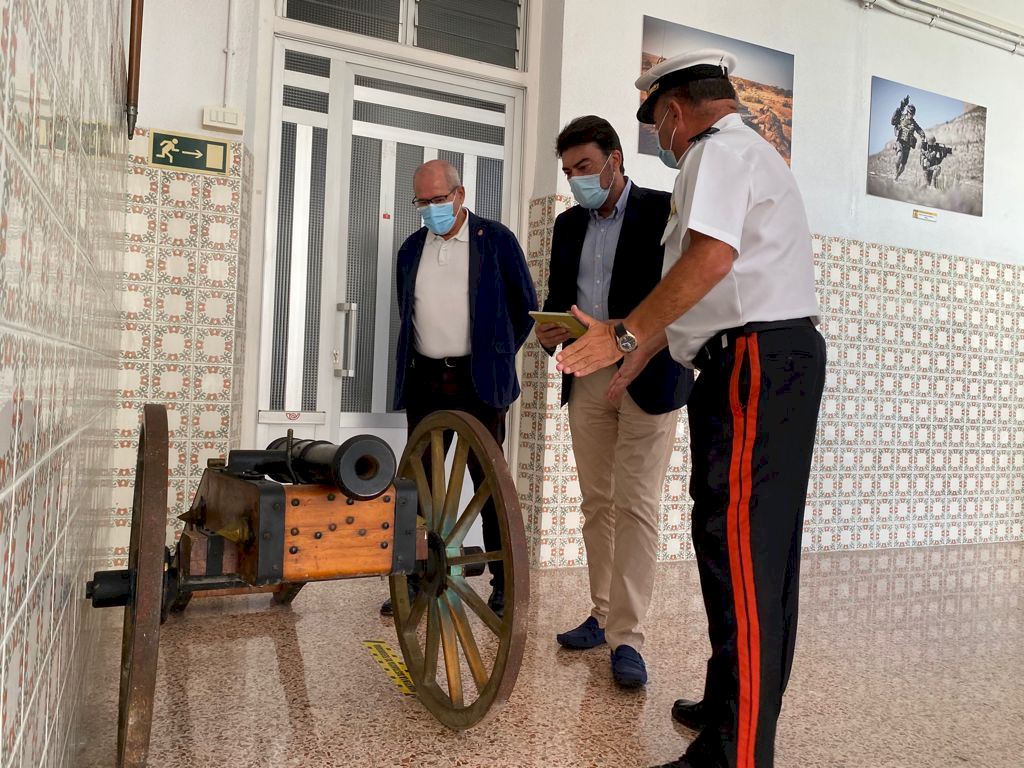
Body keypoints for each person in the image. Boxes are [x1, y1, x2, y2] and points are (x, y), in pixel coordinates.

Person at [556, 49, 826, 768]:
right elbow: (701, 291)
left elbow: (707, 263)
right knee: (746, 550)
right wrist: (641, 349)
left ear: (673, 111)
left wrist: (621, 334)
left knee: (741, 553)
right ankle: (731, 702)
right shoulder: (742, 154)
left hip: (754, 360)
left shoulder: (717, 153)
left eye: (657, 127)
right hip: (757, 357)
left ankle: (736, 750)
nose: (663, 141)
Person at [536, 115, 693, 688]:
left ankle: (628, 638)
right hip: (589, 376)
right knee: (597, 503)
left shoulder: (662, 211)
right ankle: (602, 615)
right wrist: (549, 329)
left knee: (636, 505)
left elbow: (679, 295)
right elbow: (562, 297)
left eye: (584, 167)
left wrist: (629, 338)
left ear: (615, 161)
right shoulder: (567, 225)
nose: (576, 179)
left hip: (649, 373)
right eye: (568, 171)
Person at [383, 159, 538, 618]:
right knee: (421, 484)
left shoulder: (496, 240)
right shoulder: (411, 248)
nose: (431, 209)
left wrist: (495, 355)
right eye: (422, 202)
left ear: (460, 195)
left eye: (438, 199)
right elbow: (407, 310)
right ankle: (418, 579)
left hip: (478, 381)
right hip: (426, 380)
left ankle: (503, 584)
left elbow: (524, 307)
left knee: (488, 482)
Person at [891, 97, 925, 181]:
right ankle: (895, 171)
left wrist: (922, 136)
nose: (911, 115)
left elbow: (919, 130)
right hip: (900, 142)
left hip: (907, 146)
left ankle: (897, 176)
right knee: (899, 156)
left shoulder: (914, 123)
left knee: (903, 165)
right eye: (910, 113)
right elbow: (893, 120)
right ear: (907, 112)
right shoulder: (901, 117)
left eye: (913, 114)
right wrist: (901, 106)